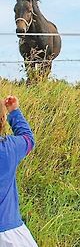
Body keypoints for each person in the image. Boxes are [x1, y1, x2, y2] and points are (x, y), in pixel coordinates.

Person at [0, 96, 38, 246]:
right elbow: (28, 139)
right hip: (9, 234)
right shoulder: (9, 148)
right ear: (2, 120)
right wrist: (14, 112)